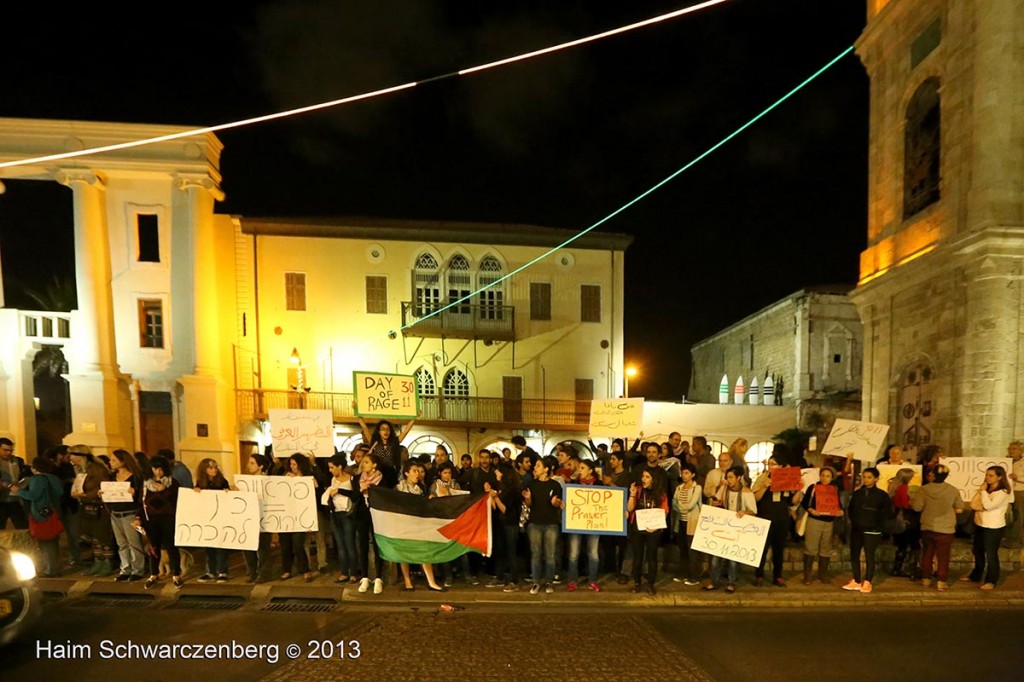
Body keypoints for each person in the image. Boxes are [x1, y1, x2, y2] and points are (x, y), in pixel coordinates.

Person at [910, 464, 965, 591]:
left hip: (928, 526)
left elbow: (917, 507)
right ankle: (941, 581)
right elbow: (959, 509)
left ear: (933, 474)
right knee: (943, 556)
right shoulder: (953, 490)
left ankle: (926, 579)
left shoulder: (923, 490)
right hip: (946, 528)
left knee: (927, 553)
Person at [703, 466, 756, 593]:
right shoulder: (724, 489)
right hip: (724, 525)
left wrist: (745, 512)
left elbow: (753, 511)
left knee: (733, 558)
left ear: (739, 478)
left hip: (738, 528)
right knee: (716, 556)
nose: (729, 480)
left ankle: (731, 582)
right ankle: (714, 581)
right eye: (727, 477)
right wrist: (715, 503)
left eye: (731, 477)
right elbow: (716, 501)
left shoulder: (747, 492)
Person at [394, 460, 444, 592]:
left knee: (424, 551)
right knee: (404, 552)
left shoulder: (420, 488)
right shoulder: (399, 487)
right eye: (414, 471)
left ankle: (431, 581)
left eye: (418, 471)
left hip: (418, 524)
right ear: (406, 473)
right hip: (403, 524)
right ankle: (407, 580)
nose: (417, 474)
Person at [843, 467, 893, 594]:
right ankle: (856, 579)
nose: (866, 480)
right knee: (854, 554)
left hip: (872, 529)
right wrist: (854, 521)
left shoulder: (882, 495)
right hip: (857, 528)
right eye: (864, 477)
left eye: (869, 477)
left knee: (869, 555)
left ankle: (868, 581)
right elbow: (851, 509)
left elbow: (887, 512)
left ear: (876, 479)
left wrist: (877, 523)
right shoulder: (857, 493)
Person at [13, 457, 64, 577]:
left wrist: (19, 491)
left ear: (35, 468)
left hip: (42, 513)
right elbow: (60, 493)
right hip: (55, 513)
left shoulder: (37, 479)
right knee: (53, 541)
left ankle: (50, 570)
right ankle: (54, 567)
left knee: (45, 542)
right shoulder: (54, 478)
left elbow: (34, 496)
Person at [69, 446, 116, 577]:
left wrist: (86, 494)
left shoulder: (98, 469)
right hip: (87, 507)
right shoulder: (82, 469)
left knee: (103, 537)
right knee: (94, 537)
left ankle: (107, 563)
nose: (71, 460)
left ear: (80, 456)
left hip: (99, 507)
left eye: (72, 457)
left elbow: (104, 487)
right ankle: (97, 562)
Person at [964, 466, 1012, 590]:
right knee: (978, 551)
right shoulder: (987, 489)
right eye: (986, 475)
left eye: (991, 475)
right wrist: (983, 492)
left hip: (993, 526)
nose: (987, 478)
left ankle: (991, 580)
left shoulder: (1003, 492)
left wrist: (984, 492)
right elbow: (975, 504)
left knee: (991, 554)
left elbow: (989, 506)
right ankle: (976, 576)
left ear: (999, 477)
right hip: (980, 523)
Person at [138, 454, 182, 589]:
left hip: (168, 518)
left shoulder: (172, 483)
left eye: (161, 469)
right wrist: (138, 517)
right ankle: (153, 573)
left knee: (171, 546)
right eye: (156, 469)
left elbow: (179, 499)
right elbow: (141, 501)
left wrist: (165, 490)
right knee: (153, 547)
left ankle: (176, 574)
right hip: (151, 519)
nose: (158, 472)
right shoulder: (146, 484)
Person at [794, 466, 843, 584]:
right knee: (811, 547)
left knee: (825, 549)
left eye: (828, 476)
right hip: (814, 520)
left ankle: (823, 574)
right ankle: (808, 575)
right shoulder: (813, 488)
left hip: (829, 522)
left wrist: (840, 511)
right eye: (822, 475)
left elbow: (838, 504)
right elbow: (805, 502)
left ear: (832, 478)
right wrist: (811, 510)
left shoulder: (834, 489)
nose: (824, 478)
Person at [751, 456, 794, 587]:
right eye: (769, 464)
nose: (771, 466)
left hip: (781, 518)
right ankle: (759, 575)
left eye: (774, 464)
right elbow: (755, 498)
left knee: (779, 549)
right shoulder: (763, 477)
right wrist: (765, 486)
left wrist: (799, 488)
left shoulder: (787, 479)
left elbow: (793, 501)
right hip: (765, 517)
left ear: (781, 466)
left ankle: (778, 576)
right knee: (762, 549)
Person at [524, 455, 563, 595]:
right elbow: (528, 505)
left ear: (546, 469)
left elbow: (558, 503)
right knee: (536, 554)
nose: (535, 467)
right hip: (534, 523)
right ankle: (536, 582)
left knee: (550, 555)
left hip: (551, 523)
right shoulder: (532, 484)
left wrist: (556, 503)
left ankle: (549, 582)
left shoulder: (555, 485)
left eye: (538, 465)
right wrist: (528, 499)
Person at [107, 449, 146, 582]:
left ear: (123, 462)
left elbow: (141, 498)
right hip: (115, 513)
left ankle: (138, 570)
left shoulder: (135, 477)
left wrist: (134, 493)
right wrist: (104, 493)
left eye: (113, 460)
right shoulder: (112, 477)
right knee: (121, 543)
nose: (110, 462)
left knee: (133, 542)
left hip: (130, 513)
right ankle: (125, 569)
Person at [628, 469, 669, 595]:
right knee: (638, 557)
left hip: (653, 528)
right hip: (638, 528)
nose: (643, 479)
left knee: (652, 557)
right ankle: (637, 582)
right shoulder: (639, 491)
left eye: (647, 477)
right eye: (643, 476)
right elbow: (629, 508)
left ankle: (650, 584)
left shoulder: (661, 494)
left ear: (653, 479)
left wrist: (656, 526)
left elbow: (665, 511)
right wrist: (632, 494)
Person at [565, 459, 603, 592]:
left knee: (593, 553)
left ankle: (592, 580)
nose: (579, 470)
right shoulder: (574, 484)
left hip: (593, 523)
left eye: (582, 468)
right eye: (579, 468)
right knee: (574, 553)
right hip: (577, 522)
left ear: (590, 470)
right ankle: (572, 580)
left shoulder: (599, 484)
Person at [278, 454, 316, 583]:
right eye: (291, 464)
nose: (292, 467)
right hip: (286, 515)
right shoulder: (285, 476)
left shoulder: (307, 477)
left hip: (300, 516)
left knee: (298, 545)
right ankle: (286, 570)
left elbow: (314, 487)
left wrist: (298, 480)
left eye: (295, 464)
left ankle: (305, 570)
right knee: (285, 545)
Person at [194, 458, 232, 583]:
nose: (214, 470)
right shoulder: (201, 482)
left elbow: (228, 496)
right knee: (209, 546)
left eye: (215, 467)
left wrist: (227, 493)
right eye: (210, 468)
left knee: (221, 546)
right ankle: (210, 571)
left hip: (221, 518)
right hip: (207, 519)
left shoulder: (222, 481)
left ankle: (222, 571)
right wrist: (196, 491)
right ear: (204, 470)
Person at [356, 410, 417, 487]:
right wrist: (357, 413)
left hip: (390, 473)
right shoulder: (375, 442)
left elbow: (405, 431)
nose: (386, 431)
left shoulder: (394, 442)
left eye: (388, 429)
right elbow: (364, 427)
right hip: (377, 473)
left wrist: (414, 418)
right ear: (378, 431)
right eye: (383, 429)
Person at [322, 453, 357, 584]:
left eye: (332, 467)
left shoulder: (351, 479)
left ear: (340, 466)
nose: (330, 470)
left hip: (347, 514)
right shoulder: (333, 480)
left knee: (350, 543)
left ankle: (353, 572)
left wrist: (339, 491)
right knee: (340, 544)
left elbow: (354, 495)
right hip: (335, 513)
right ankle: (344, 572)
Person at [353, 453, 385, 595]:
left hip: (377, 515)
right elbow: (353, 496)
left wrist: (372, 489)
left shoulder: (382, 479)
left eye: (366, 462)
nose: (363, 464)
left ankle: (378, 577)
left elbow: (386, 496)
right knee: (362, 544)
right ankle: (365, 577)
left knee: (378, 546)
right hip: (362, 514)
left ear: (374, 465)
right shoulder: (357, 479)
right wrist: (361, 489)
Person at [240, 454, 275, 583]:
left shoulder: (268, 481)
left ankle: (264, 573)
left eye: (252, 463)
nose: (249, 466)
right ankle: (252, 571)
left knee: (263, 547)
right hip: (248, 518)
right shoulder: (244, 482)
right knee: (248, 546)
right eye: (249, 463)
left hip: (264, 518)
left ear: (260, 466)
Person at [492, 462, 523, 592]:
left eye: (498, 471)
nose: (496, 473)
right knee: (501, 551)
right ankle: (501, 577)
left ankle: (513, 580)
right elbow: (496, 507)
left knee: (511, 552)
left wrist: (495, 497)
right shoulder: (502, 487)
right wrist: (492, 496)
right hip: (502, 523)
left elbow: (505, 509)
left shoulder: (512, 489)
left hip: (511, 524)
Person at [671, 462, 702, 585]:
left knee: (692, 550)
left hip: (692, 521)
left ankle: (694, 576)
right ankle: (682, 573)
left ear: (693, 474)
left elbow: (691, 504)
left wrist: (680, 507)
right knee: (682, 549)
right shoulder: (679, 487)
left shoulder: (697, 488)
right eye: (683, 472)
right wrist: (680, 508)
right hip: (680, 521)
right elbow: (674, 502)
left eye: (687, 473)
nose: (684, 475)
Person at [887, 467, 921, 579]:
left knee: (901, 545)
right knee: (911, 544)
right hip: (905, 517)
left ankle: (897, 568)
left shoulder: (893, 486)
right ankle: (908, 569)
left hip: (896, 518)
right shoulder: (903, 488)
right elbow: (906, 504)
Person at [0, 437, 29, 529]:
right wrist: (8, 485)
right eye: (5, 450)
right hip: (1, 499)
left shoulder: (18, 461)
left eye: (11, 450)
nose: (8, 453)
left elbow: (24, 475)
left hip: (15, 499)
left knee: (23, 527)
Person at [1005, 441, 1023, 549]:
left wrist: (1017, 478)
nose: (1011, 451)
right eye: (1010, 448)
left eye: (1015, 449)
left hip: (1019, 491)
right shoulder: (1005, 461)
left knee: (1018, 514)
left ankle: (1014, 539)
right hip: (1006, 490)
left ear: (1021, 451)